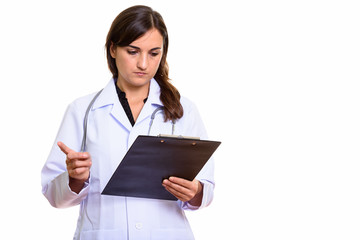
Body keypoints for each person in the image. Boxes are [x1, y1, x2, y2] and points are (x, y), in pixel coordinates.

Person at [41, 5, 214, 240]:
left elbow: (206, 189)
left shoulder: (184, 109)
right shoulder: (82, 111)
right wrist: (74, 178)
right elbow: (53, 195)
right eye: (133, 51)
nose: (143, 64)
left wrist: (194, 192)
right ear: (113, 49)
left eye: (154, 53)